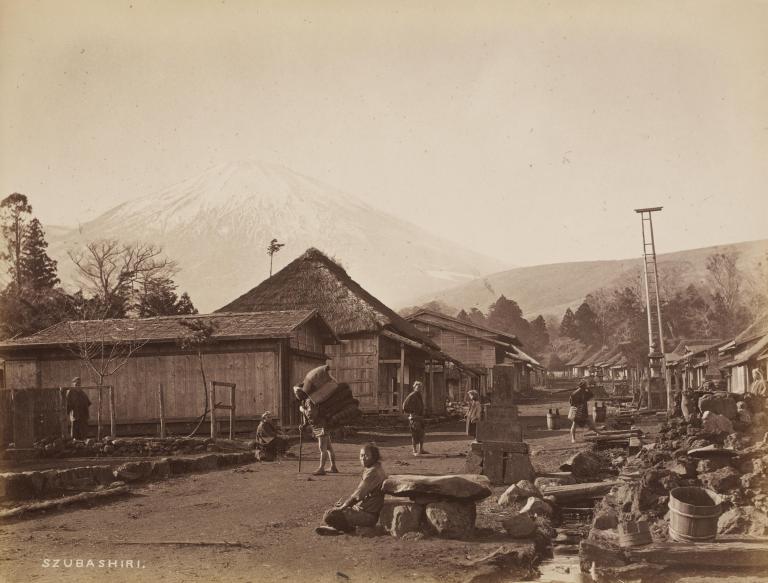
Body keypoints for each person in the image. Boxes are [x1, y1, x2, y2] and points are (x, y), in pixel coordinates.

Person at [316, 443, 387, 536]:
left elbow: (357, 496)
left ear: (374, 457)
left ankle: (348, 530)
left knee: (329, 515)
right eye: (361, 455)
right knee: (335, 510)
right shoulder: (374, 468)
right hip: (364, 510)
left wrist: (342, 508)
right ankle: (341, 527)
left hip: (368, 515)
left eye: (366, 455)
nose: (363, 458)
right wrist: (344, 506)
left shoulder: (373, 472)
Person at [299, 396, 339, 476]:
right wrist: (304, 425)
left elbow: (312, 414)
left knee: (322, 448)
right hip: (322, 425)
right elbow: (309, 418)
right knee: (328, 448)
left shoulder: (310, 400)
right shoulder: (314, 399)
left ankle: (321, 469)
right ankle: (333, 467)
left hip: (320, 426)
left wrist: (302, 410)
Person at [569, 379, 600, 443]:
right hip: (577, 410)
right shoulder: (575, 393)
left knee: (589, 422)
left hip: (584, 410)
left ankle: (599, 433)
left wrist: (588, 389)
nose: (587, 386)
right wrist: (576, 407)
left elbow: (591, 395)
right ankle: (573, 438)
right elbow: (571, 402)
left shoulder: (584, 392)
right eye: (586, 385)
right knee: (574, 424)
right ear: (583, 386)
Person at [402, 381, 428, 455]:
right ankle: (414, 450)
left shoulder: (419, 395)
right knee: (415, 434)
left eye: (420, 387)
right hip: (415, 418)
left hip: (420, 418)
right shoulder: (412, 395)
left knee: (422, 434)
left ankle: (421, 449)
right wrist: (411, 412)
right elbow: (404, 406)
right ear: (414, 387)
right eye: (418, 387)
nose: (419, 388)